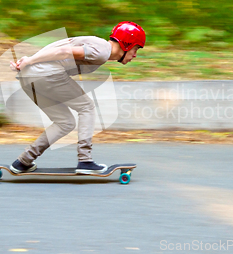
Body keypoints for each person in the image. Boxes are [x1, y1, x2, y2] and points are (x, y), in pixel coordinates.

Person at [8, 21, 146, 174]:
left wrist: (28, 63)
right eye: (136, 49)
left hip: (29, 76)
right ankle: (85, 161)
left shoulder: (99, 47)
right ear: (127, 44)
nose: (135, 55)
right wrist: (30, 61)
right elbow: (63, 51)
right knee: (87, 107)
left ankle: (23, 161)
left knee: (64, 122)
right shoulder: (102, 51)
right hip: (46, 74)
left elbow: (58, 48)